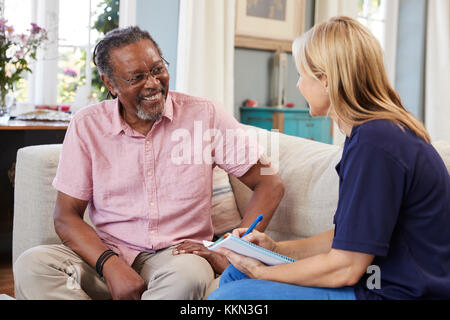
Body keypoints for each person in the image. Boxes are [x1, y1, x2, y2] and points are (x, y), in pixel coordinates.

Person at [13, 26, 285, 300]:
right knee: (33, 264)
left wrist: (230, 246)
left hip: (177, 256)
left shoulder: (205, 114)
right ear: (110, 84)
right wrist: (110, 264)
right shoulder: (87, 125)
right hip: (108, 252)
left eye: (157, 70)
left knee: (187, 277)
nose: (153, 83)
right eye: (137, 77)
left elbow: (269, 184)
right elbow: (66, 215)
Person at [209, 16, 450, 300]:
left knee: (230, 298)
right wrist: (274, 249)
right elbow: (346, 239)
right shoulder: (370, 134)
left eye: (302, 75)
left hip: (396, 293)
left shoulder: (376, 144)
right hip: (374, 281)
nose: (298, 86)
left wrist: (264, 272)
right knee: (236, 273)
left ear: (326, 80)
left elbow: (345, 268)